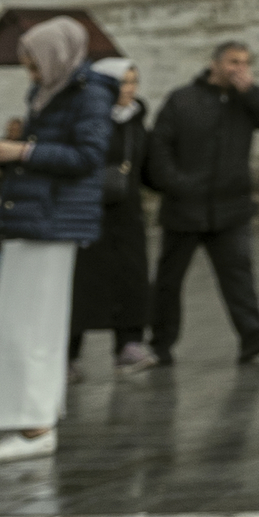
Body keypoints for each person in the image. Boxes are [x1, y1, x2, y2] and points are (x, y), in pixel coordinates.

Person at [0, 16, 113, 462]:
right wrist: (14, 149)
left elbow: (89, 156)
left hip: (53, 219)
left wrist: (23, 152)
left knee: (30, 324)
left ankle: (34, 427)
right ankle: (35, 416)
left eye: (35, 64)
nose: (31, 74)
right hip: (36, 214)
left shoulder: (88, 94)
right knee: (28, 323)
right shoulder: (49, 91)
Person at [149, 40, 259, 364]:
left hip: (231, 208)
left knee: (238, 274)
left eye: (245, 62)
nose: (239, 68)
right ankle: (160, 343)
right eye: (232, 62)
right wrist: (176, 184)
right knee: (170, 280)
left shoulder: (246, 102)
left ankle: (251, 335)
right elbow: (159, 146)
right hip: (185, 208)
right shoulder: (182, 100)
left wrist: (251, 92)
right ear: (215, 64)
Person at [68, 58, 156, 371]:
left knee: (130, 278)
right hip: (88, 210)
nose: (127, 89)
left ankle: (129, 343)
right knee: (83, 283)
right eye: (120, 82)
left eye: (133, 82)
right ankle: (69, 353)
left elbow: (149, 167)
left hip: (127, 212)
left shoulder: (136, 121)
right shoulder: (87, 117)